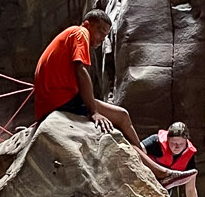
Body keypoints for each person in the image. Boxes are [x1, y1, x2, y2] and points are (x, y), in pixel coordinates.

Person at [32, 10, 143, 146]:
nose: (102, 38)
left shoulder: (69, 37)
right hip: (60, 102)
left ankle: (146, 156)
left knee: (120, 118)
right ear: (87, 24)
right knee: (120, 120)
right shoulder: (80, 32)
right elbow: (80, 70)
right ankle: (151, 161)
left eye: (106, 35)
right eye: (101, 31)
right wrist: (94, 112)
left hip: (51, 103)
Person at [142, 122, 203, 197]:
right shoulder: (155, 141)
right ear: (168, 139)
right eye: (173, 143)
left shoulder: (188, 155)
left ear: (186, 142)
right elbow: (135, 149)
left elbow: (190, 190)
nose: (177, 147)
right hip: (145, 182)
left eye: (181, 144)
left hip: (164, 190)